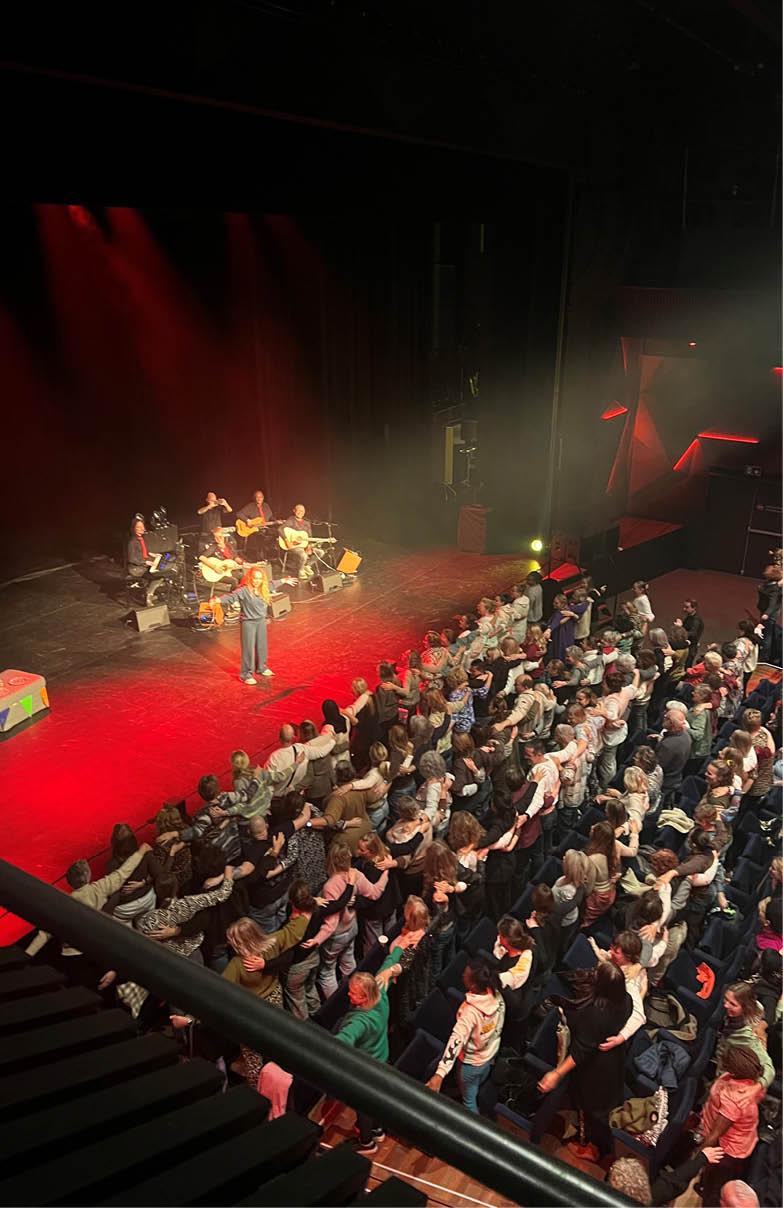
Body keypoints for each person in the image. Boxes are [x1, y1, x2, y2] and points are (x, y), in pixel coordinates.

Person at [537, 960, 633, 1161]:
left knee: (593, 1109)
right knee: (603, 1106)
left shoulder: (597, 1013)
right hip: (614, 1059)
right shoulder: (626, 1000)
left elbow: (581, 1051)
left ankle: (594, 1147)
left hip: (596, 1068)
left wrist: (556, 1074)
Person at [426, 959, 505, 1113]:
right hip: (489, 1054)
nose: (462, 975)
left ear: (473, 985)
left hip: (470, 1065)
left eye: (465, 975)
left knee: (469, 1102)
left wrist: (440, 1074)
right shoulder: (497, 995)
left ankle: (474, 1132)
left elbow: (456, 1040)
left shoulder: (470, 1012)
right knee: (476, 1082)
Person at [697, 1045, 764, 1206]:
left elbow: (715, 1135)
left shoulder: (734, 1099)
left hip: (727, 1151)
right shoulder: (745, 1081)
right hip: (736, 1140)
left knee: (714, 1191)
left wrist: (697, 1160)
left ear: (731, 1067)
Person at [334, 971, 391, 1155]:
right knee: (377, 1099)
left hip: (365, 1069)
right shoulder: (380, 994)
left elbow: (343, 1040)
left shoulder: (360, 1021)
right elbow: (388, 965)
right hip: (382, 1059)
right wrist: (399, 950)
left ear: (364, 996)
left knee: (363, 1104)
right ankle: (377, 1129)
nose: (348, 994)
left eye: (352, 992)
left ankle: (367, 1142)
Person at [212, 566, 273, 684]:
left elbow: (273, 583)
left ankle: (261, 668)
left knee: (261, 646)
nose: (257, 581)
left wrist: (284, 580)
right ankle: (246, 674)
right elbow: (231, 597)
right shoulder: (244, 590)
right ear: (250, 578)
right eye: (255, 578)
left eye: (260, 579)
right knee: (248, 649)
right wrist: (218, 600)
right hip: (248, 622)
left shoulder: (263, 588)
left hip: (260, 621)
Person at [282, 503, 315, 579]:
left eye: (302, 511)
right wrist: (287, 541)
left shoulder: (307, 523)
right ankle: (300, 570)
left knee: (321, 552)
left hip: (304, 544)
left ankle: (307, 566)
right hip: (294, 545)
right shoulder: (291, 520)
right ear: (294, 511)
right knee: (303, 554)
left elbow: (309, 536)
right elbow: (280, 529)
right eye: (298, 510)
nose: (300, 512)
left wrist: (309, 546)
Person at [675, 598, 704, 667]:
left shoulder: (696, 620)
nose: (684, 609)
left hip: (690, 648)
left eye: (687, 607)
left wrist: (680, 627)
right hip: (687, 646)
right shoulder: (690, 617)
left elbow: (692, 633)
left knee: (685, 666)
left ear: (694, 608)